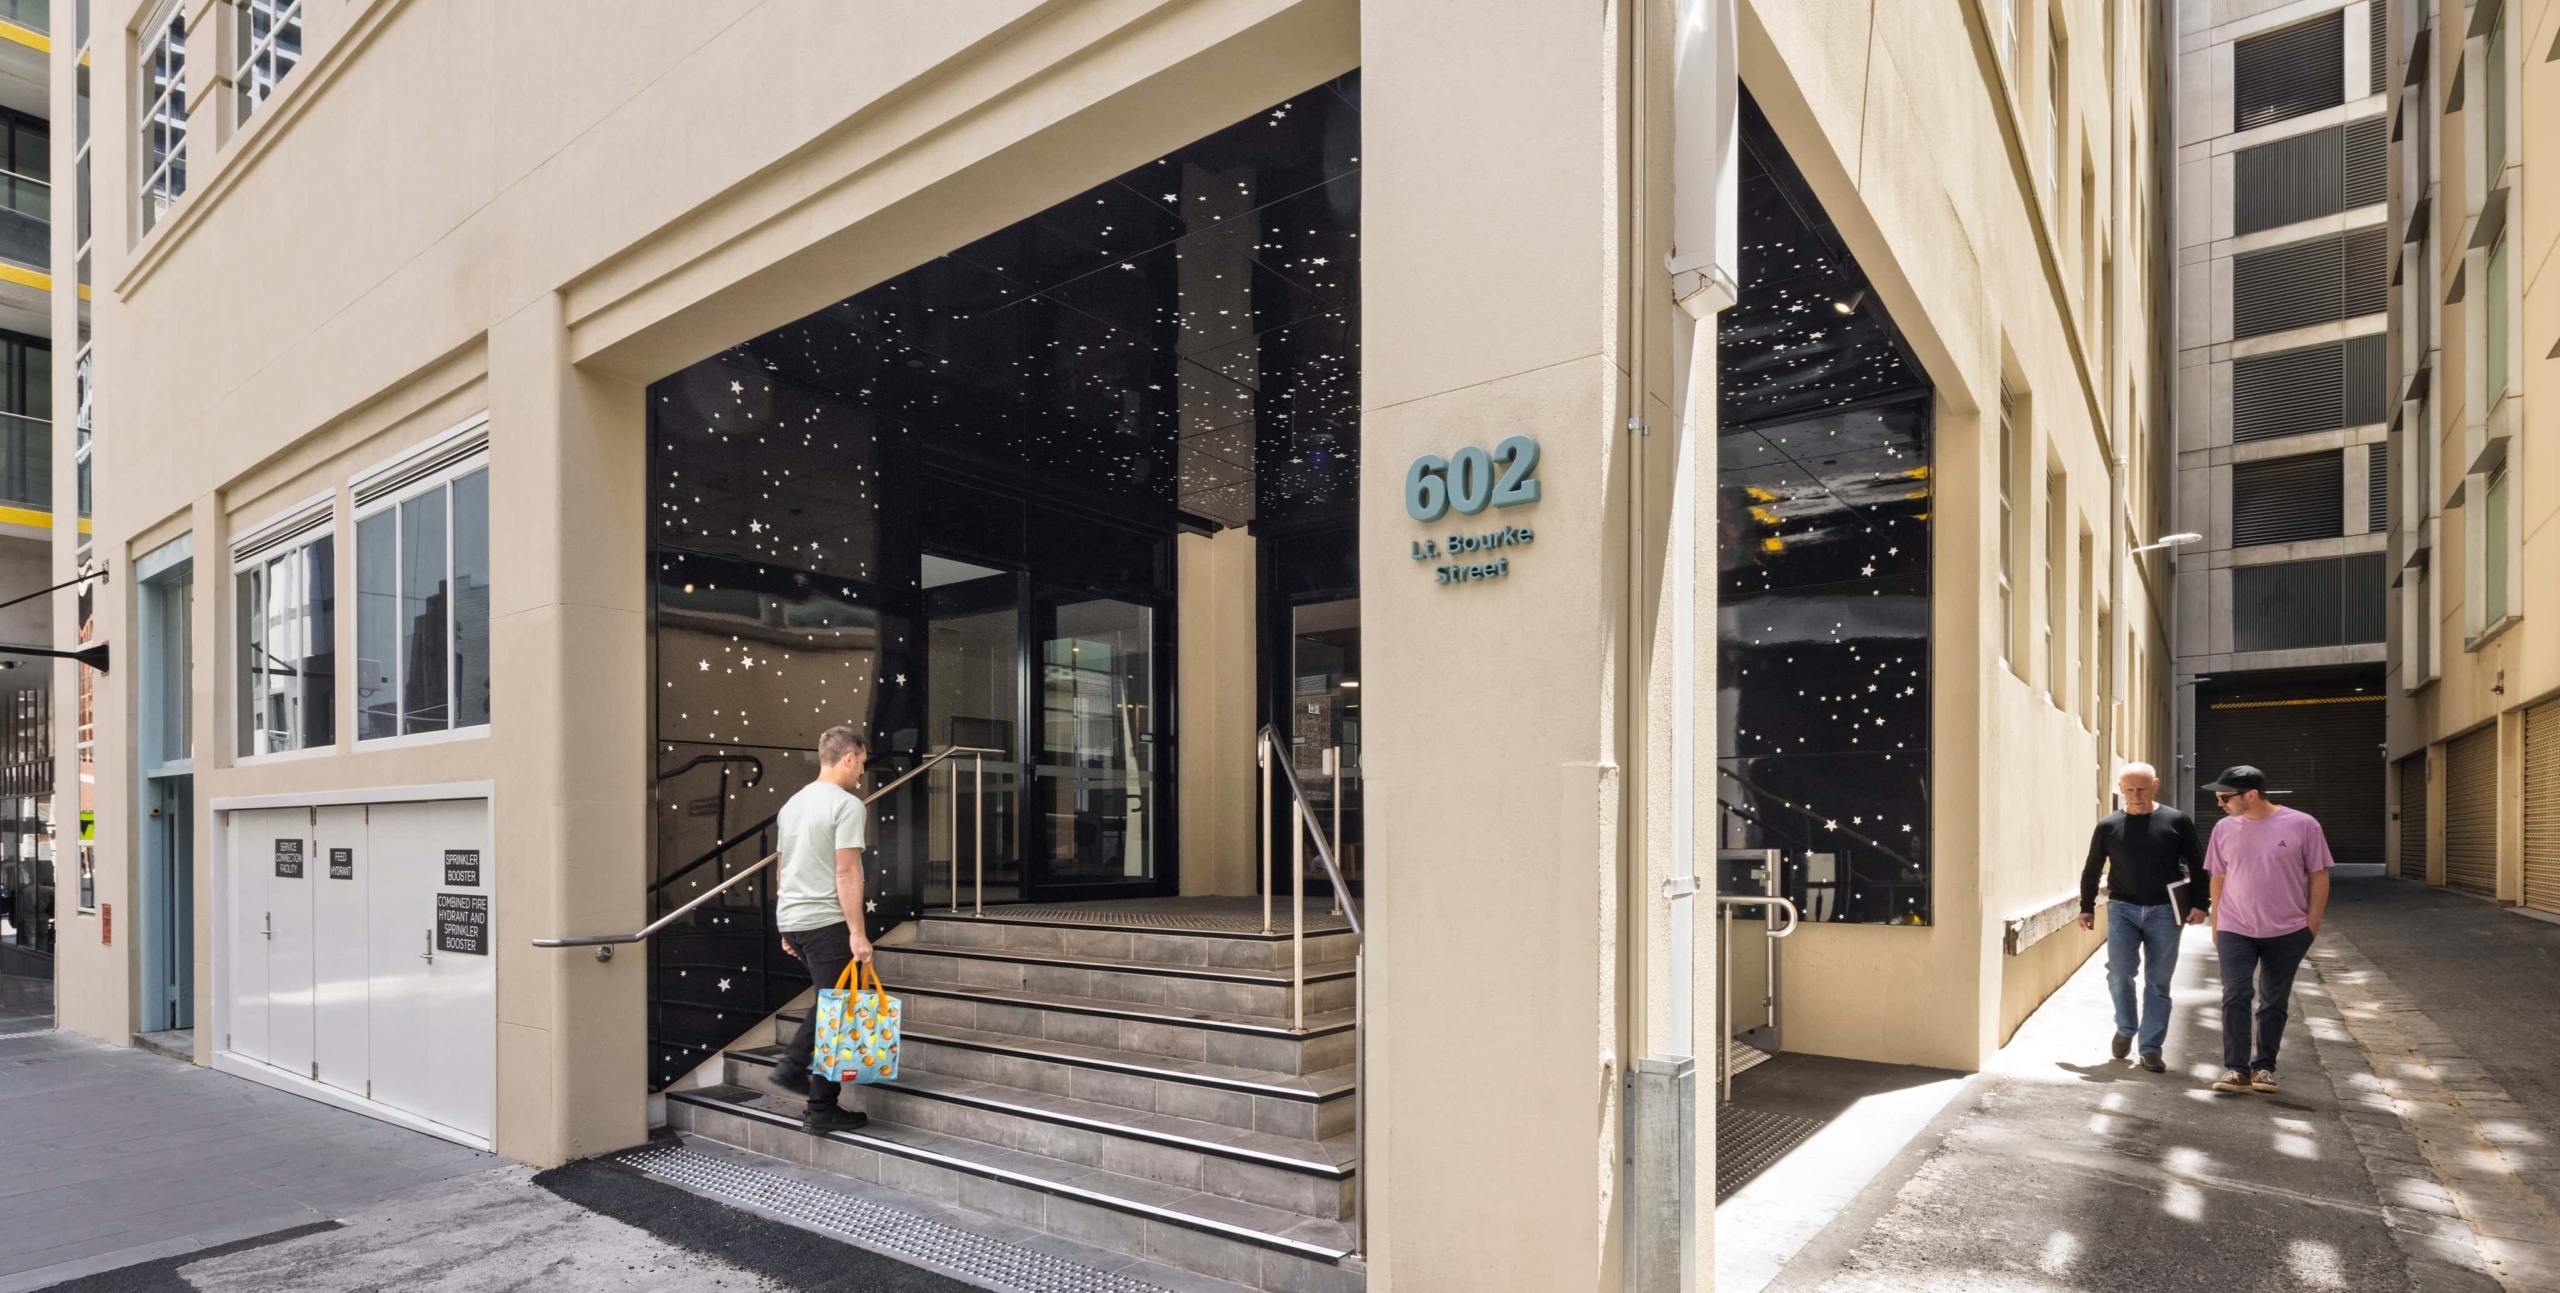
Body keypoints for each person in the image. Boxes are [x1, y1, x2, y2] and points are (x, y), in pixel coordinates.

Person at [2199, 765, 2333, 1095]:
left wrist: (2310, 926)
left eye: (2225, 796)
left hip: (2288, 930)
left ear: (2252, 795)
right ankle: (2236, 1070)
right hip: (2235, 926)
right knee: (2236, 993)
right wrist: (2217, 925)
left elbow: (2319, 876)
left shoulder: (2303, 825)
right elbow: (2217, 877)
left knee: (2274, 999)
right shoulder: (2223, 828)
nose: (2220, 802)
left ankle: (2264, 1068)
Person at [769, 724, 876, 1132]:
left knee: (835, 1003)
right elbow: (847, 872)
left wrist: (786, 924)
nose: (861, 773)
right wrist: (858, 933)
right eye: (861, 763)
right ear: (848, 757)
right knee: (838, 1006)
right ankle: (800, 1074)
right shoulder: (846, 804)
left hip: (795, 918)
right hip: (825, 921)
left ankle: (819, 1105)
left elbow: (783, 869)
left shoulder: (792, 804)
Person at [2076, 762, 2208, 1072]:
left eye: (2143, 789)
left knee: (2158, 982)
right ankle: (2125, 1027)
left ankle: (2150, 1047)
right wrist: (2086, 906)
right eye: (2130, 790)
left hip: (2166, 910)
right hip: (2123, 908)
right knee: (2120, 974)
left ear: (2156, 785)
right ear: (2120, 789)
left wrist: (2201, 904)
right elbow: (2092, 869)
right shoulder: (2108, 826)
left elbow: (2198, 864)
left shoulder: (2177, 821)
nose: (2136, 796)